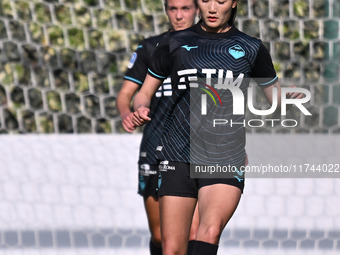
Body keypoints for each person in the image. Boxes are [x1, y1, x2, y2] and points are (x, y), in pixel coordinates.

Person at [132, 1, 304, 255]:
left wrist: (289, 95)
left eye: (221, 1)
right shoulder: (173, 42)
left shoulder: (251, 47)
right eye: (205, 0)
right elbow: (144, 92)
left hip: (225, 154)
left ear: (234, 3)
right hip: (176, 153)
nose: (212, 8)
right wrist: (141, 107)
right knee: (172, 249)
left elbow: (273, 97)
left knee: (209, 232)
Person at [117, 1, 199, 254]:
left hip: (190, 147)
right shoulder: (150, 47)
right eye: (173, 9)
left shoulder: (207, 48)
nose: (179, 15)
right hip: (154, 145)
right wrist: (127, 114)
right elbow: (125, 95)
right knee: (162, 237)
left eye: (185, 8)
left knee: (191, 235)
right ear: (166, 10)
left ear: (197, 9)